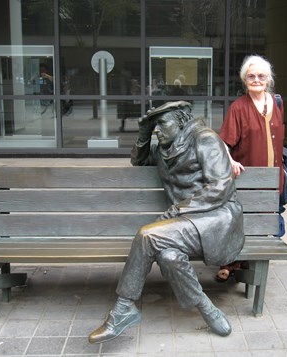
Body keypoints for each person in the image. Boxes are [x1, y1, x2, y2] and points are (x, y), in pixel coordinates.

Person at [88, 101, 245, 344]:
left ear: (181, 122)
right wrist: (142, 134)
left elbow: (220, 187)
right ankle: (207, 308)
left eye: (162, 123)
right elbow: (138, 162)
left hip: (216, 219)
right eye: (153, 126)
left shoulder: (205, 139)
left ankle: (122, 310)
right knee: (169, 257)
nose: (157, 130)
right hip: (184, 223)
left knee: (147, 235)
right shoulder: (164, 147)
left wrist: (176, 210)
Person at [216, 55, 285, 282]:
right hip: (247, 179)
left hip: (272, 177)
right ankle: (231, 262)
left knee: (265, 222)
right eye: (251, 76)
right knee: (242, 222)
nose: (256, 80)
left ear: (269, 79)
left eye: (261, 76)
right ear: (245, 80)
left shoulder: (276, 103)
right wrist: (231, 161)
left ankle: (251, 264)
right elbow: (223, 142)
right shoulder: (238, 108)